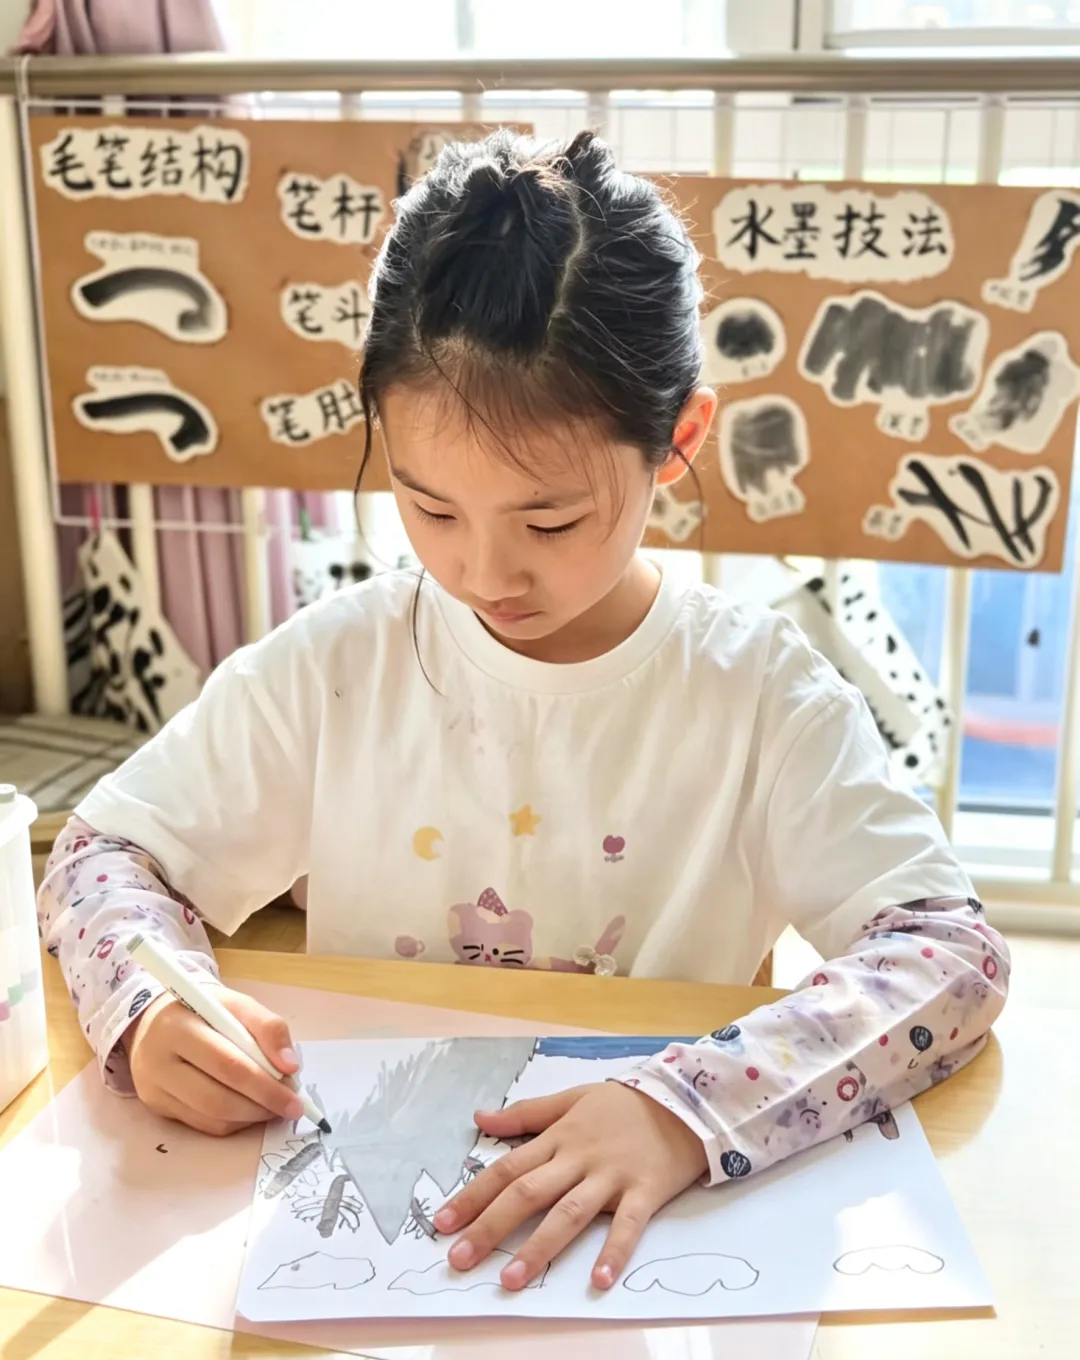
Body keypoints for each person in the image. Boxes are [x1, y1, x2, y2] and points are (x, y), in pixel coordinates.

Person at [38, 129, 1008, 1296]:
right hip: (369, 1250)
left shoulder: (759, 695)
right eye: (430, 508)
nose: (484, 572)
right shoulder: (339, 666)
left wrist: (685, 1107)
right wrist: (148, 1002)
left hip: (644, 1256)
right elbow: (102, 854)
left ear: (677, 441)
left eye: (550, 521)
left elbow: (951, 956)